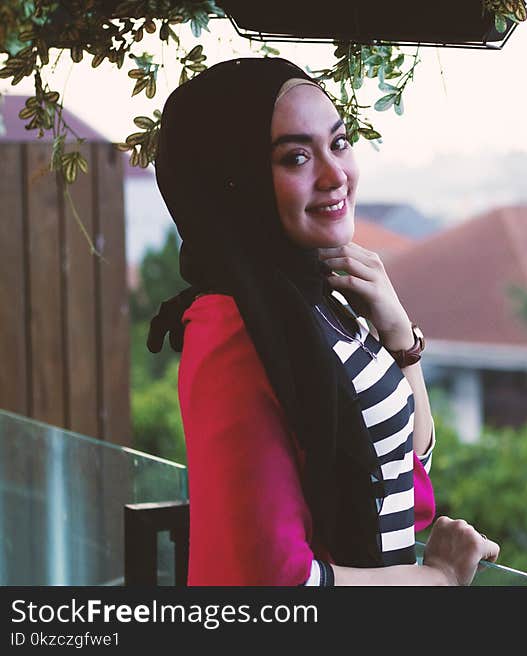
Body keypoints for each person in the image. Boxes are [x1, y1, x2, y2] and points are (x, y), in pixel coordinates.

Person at [146, 57, 499, 586]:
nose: (335, 176)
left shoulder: (312, 293)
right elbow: (278, 581)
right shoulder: (234, 329)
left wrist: (399, 332)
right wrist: (440, 579)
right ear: (235, 182)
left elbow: (402, 459)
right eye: (295, 157)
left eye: (338, 143)